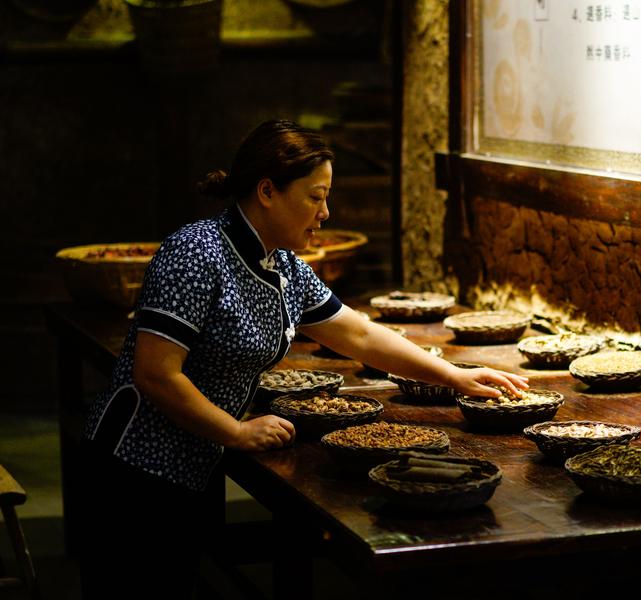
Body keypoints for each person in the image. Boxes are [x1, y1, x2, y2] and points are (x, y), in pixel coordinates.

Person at [78, 119, 528, 598]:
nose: (325, 213)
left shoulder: (284, 265)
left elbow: (358, 334)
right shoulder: (196, 251)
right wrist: (237, 431)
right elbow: (156, 374)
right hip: (136, 467)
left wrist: (454, 376)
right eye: (315, 197)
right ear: (267, 190)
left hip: (196, 458)